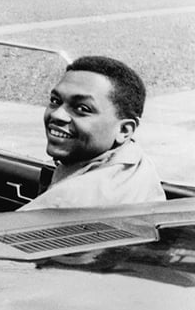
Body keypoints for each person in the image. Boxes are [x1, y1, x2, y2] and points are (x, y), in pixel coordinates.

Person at [19, 55, 165, 210]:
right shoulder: (136, 160)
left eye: (82, 109)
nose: (57, 115)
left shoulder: (64, 203)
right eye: (55, 101)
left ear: (124, 130)